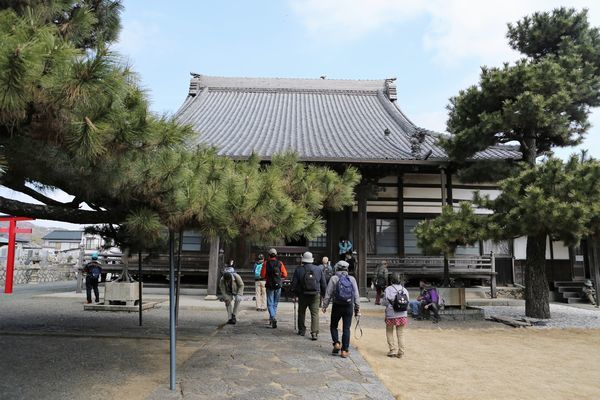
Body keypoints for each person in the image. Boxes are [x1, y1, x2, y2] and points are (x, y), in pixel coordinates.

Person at [322, 260, 360, 358]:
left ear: (337, 268)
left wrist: (324, 305)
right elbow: (356, 295)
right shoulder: (352, 279)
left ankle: (336, 343)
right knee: (346, 328)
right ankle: (344, 351)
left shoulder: (334, 278)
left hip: (337, 305)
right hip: (348, 306)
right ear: (347, 269)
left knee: (333, 325)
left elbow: (328, 293)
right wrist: (357, 307)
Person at [291, 251, 327, 340]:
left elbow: (294, 283)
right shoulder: (318, 269)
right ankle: (314, 333)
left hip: (302, 294)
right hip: (315, 295)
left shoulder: (299, 269)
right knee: (314, 314)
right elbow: (323, 283)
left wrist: (294, 294)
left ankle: (302, 330)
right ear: (311, 260)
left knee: (301, 312)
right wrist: (323, 294)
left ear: (303, 260)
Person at [382, 273, 409, 358]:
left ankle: (392, 350)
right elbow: (407, 302)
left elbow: (384, 302)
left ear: (391, 280)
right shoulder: (404, 289)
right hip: (402, 314)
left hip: (391, 314)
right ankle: (401, 352)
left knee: (389, 331)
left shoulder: (388, 289)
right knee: (400, 333)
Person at [260, 248, 288, 328]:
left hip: (269, 285)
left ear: (269, 255)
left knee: (270, 303)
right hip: (278, 285)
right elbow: (285, 274)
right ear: (276, 255)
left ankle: (272, 317)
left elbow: (262, 275)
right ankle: (272, 319)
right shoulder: (280, 263)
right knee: (275, 303)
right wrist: (279, 277)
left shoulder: (266, 263)